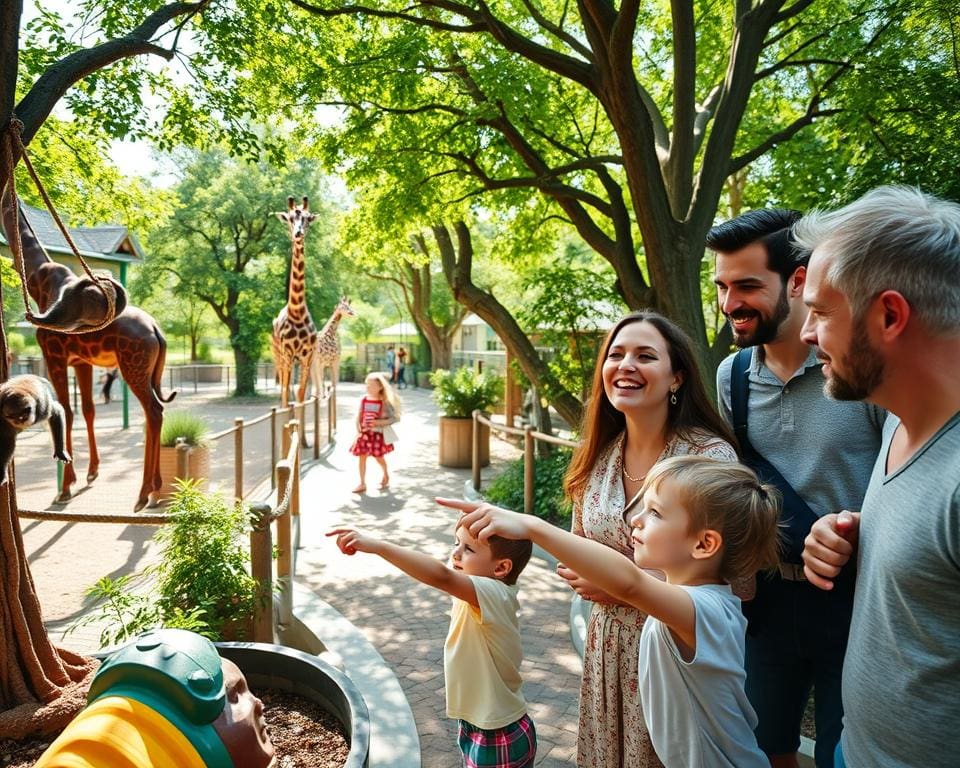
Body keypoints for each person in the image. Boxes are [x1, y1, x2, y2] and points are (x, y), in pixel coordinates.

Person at [444, 455, 781, 768]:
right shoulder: (685, 601)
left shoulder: (706, 611)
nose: (636, 519)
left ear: (704, 544)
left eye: (655, 512)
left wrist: (533, 527)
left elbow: (629, 583)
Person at [708, 210, 884, 768]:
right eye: (721, 287)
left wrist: (853, 525)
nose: (730, 302)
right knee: (763, 748)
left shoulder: (855, 370)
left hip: (853, 600)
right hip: (766, 601)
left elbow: (902, 477)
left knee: (843, 752)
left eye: (748, 286)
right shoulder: (730, 377)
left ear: (799, 281)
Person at [796, 186, 960, 768]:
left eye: (818, 311)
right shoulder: (897, 420)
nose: (806, 334)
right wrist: (863, 537)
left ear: (889, 315)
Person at [558, 310, 739, 767]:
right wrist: (587, 575)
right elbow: (579, 545)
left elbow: (731, 575)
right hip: (606, 650)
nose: (626, 365)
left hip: (674, 655)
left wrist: (624, 586)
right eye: (616, 355)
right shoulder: (598, 456)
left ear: (676, 377)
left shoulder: (707, 457)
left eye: (645, 355)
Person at [327, 523, 536, 767]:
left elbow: (441, 576)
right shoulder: (479, 592)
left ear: (501, 567)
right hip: (482, 724)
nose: (455, 553)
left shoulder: (493, 593)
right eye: (456, 542)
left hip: (498, 731)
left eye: (468, 549)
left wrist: (379, 546)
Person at [349, 371, 400, 494]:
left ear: (380, 387)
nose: (368, 388)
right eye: (367, 385)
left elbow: (395, 418)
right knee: (362, 458)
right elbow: (360, 415)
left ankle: (385, 475)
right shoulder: (364, 400)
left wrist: (378, 423)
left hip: (376, 435)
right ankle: (362, 483)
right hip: (364, 435)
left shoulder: (384, 402)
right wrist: (358, 427)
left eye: (371, 385)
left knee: (379, 457)